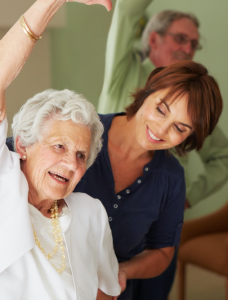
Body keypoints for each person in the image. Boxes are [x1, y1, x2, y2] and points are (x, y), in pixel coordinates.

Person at [0, 0, 122, 299]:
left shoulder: (90, 214)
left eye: (80, 155)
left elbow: (107, 290)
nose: (71, 163)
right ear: (22, 144)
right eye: (59, 146)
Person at [97, 0, 228, 298]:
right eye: (181, 38)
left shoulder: (194, 111)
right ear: (153, 38)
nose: (188, 47)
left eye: (194, 43)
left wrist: (188, 196)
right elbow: (128, 10)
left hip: (156, 225)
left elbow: (224, 155)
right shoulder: (126, 70)